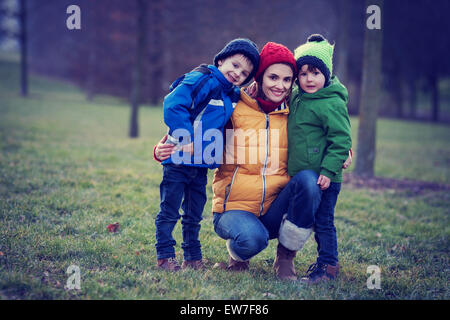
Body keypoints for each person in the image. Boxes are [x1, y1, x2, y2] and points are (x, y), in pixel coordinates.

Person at [153, 38, 259, 271]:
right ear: (221, 60)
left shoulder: (231, 93)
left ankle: (192, 257)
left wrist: (247, 91)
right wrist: (185, 137)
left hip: (200, 166)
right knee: (169, 211)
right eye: (234, 65)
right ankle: (165, 256)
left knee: (193, 214)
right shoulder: (201, 78)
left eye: (244, 73)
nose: (237, 73)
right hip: (178, 161)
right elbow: (173, 103)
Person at [288, 34, 352, 283]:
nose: (308, 79)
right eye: (302, 73)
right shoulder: (298, 97)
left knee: (324, 222)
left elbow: (341, 140)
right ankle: (323, 262)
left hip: (326, 177)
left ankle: (328, 267)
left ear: (326, 73)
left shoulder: (331, 103)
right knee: (315, 220)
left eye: (314, 72)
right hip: (306, 176)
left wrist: (328, 170)